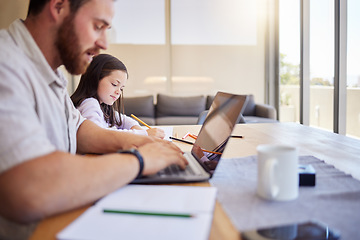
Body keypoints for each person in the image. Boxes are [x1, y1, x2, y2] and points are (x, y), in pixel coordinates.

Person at [0, 0, 187, 239]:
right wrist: (138, 161)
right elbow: (30, 187)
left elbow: (78, 129)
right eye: (98, 26)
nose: (104, 43)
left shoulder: (51, 71)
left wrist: (138, 142)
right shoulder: (6, 65)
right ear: (58, 7)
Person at [71, 54, 165, 138]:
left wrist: (140, 131)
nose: (118, 92)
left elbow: (124, 120)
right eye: (114, 84)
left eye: (121, 88)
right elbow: (99, 136)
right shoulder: (89, 104)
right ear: (95, 79)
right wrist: (144, 134)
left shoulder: (104, 107)